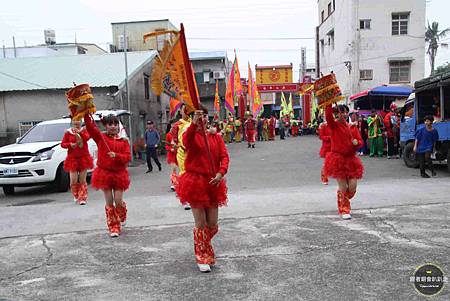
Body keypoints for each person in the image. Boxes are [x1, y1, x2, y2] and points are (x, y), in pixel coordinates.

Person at [176, 107, 230, 273]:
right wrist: (193, 124)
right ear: (192, 117)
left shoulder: (216, 137)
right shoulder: (190, 135)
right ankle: (202, 256)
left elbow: (224, 157)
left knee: (212, 225)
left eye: (205, 115)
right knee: (201, 224)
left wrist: (221, 173)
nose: (203, 118)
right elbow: (187, 141)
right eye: (199, 115)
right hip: (195, 182)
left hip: (214, 182)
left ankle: (203, 246)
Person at [84, 113, 131, 237]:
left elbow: (128, 157)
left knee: (118, 201)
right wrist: (85, 113)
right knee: (109, 202)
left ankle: (122, 212)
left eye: (115, 124)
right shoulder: (101, 137)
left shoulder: (124, 141)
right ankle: (113, 227)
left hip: (119, 174)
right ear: (105, 125)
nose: (113, 126)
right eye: (110, 124)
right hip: (104, 173)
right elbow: (90, 127)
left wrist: (116, 155)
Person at [324, 104, 364, 220]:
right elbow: (328, 116)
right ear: (336, 114)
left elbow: (360, 141)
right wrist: (329, 102)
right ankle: (344, 209)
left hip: (351, 159)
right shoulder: (333, 126)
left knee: (352, 188)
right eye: (342, 112)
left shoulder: (352, 127)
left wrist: (358, 143)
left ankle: (342, 197)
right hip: (338, 159)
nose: (345, 114)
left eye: (346, 112)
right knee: (343, 187)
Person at [61, 119, 93, 205]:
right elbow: (63, 144)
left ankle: (82, 198)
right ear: (72, 121)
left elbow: (87, 138)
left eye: (78, 120)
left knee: (82, 180)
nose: (77, 122)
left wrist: (80, 132)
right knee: (73, 181)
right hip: (72, 159)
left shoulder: (84, 130)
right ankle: (76, 195)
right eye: (75, 120)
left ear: (81, 121)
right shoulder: (68, 132)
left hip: (83, 158)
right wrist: (70, 144)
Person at [170, 104, 192, 210]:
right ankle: (186, 199)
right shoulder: (177, 125)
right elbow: (173, 139)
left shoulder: (195, 123)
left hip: (194, 153)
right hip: (182, 153)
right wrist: (173, 143)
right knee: (184, 175)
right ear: (181, 111)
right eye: (185, 110)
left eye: (188, 110)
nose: (187, 112)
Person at [165, 123, 178, 191]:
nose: (173, 129)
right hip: (171, 155)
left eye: (174, 127)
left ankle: (179, 182)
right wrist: (170, 149)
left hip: (178, 155)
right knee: (174, 169)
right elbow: (166, 146)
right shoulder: (168, 135)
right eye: (172, 127)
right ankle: (174, 184)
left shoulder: (178, 134)